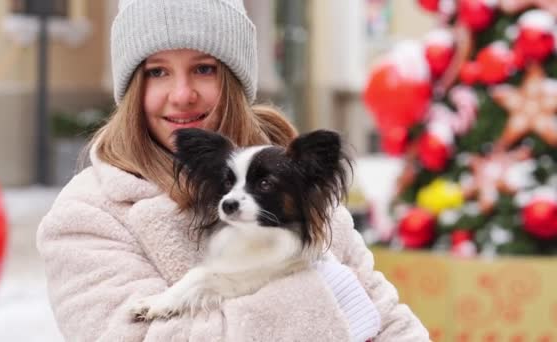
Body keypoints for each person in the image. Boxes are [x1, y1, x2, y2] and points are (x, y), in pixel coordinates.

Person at [36, 0, 430, 341]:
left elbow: (387, 317)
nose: (181, 94)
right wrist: (327, 296)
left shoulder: (298, 185)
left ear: (235, 80)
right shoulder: (89, 215)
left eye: (204, 69)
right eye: (157, 72)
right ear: (132, 88)